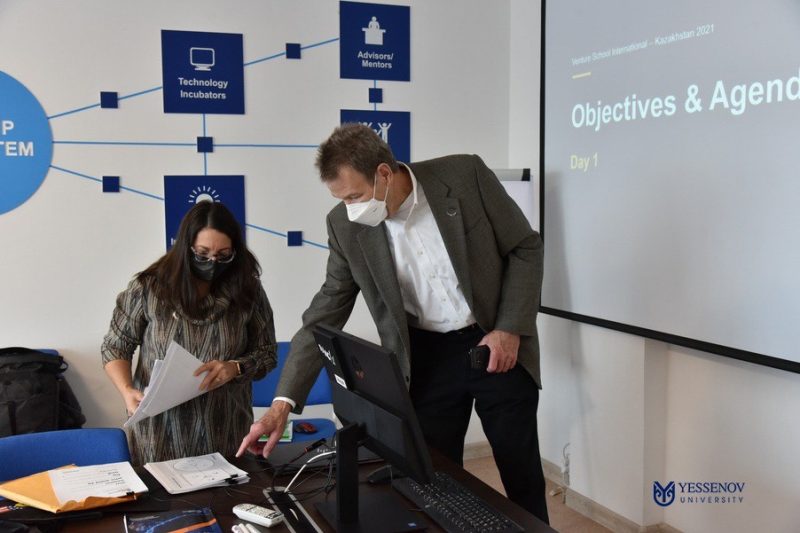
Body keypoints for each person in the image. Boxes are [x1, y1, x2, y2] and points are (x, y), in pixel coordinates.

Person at [237, 123, 548, 522]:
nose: (350, 208)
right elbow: (324, 312)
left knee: (522, 479)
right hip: (425, 358)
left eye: (355, 196)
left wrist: (509, 328)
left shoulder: (464, 176)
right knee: (435, 483)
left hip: (495, 341)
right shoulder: (345, 225)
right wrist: (281, 404)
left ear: (384, 173)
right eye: (341, 199)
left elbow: (525, 247)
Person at [102, 201, 276, 465]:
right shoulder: (149, 288)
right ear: (186, 247)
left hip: (225, 427)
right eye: (202, 254)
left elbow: (267, 353)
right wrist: (127, 390)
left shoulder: (247, 291)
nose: (212, 263)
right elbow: (116, 346)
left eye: (223, 255)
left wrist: (236, 367)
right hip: (159, 432)